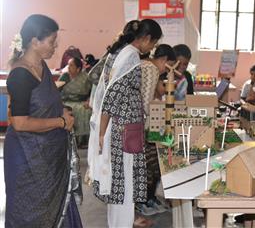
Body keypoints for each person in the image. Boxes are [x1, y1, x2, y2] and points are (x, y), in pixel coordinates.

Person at [4, 14, 82, 227]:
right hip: (26, 156)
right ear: (34, 42)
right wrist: (60, 122)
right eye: (51, 42)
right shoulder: (20, 74)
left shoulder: (42, 67)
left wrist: (62, 113)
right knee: (29, 212)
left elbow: (42, 105)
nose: (55, 47)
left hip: (47, 154)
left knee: (54, 208)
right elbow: (19, 122)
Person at [88, 19, 162, 227]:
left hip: (120, 127)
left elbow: (96, 78)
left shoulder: (118, 53)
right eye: (153, 44)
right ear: (146, 39)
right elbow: (112, 95)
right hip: (123, 130)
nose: (152, 49)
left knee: (119, 185)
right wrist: (102, 134)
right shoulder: (130, 56)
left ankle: (122, 223)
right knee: (124, 185)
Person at [136, 44, 176, 216]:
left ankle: (148, 198)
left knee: (154, 166)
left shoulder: (146, 67)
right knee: (151, 166)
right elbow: (146, 102)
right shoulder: (151, 70)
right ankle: (143, 200)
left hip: (147, 126)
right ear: (165, 60)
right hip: (145, 127)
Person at [58, 57, 92, 148]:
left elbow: (92, 92)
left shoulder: (85, 78)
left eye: (71, 65)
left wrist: (89, 101)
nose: (68, 67)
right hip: (65, 101)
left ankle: (82, 141)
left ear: (78, 69)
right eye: (68, 65)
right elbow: (56, 91)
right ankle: (71, 140)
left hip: (81, 102)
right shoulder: (65, 76)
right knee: (68, 110)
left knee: (86, 110)